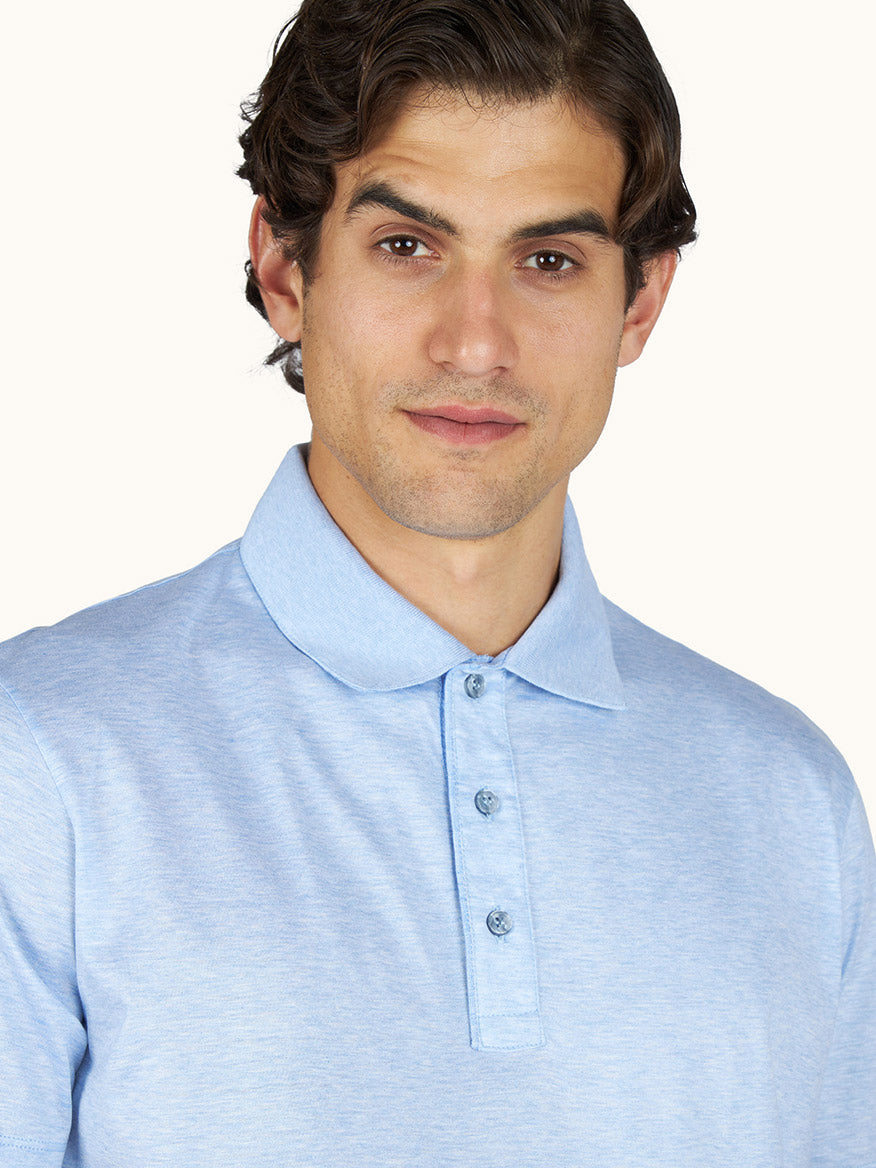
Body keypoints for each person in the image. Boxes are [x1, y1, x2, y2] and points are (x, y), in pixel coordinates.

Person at [0, 0, 873, 1163]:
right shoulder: (43, 760)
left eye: (549, 259)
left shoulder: (789, 798)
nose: (476, 342)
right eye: (408, 246)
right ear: (284, 269)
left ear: (642, 301)